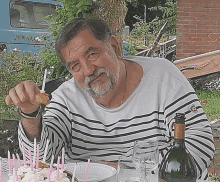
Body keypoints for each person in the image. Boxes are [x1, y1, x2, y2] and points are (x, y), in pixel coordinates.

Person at [6, 18, 214, 180]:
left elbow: (200, 145)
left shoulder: (163, 79)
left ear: (115, 47)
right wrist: (30, 114)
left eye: (92, 54)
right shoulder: (67, 97)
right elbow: (41, 161)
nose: (88, 70)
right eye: (75, 66)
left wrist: (125, 174)